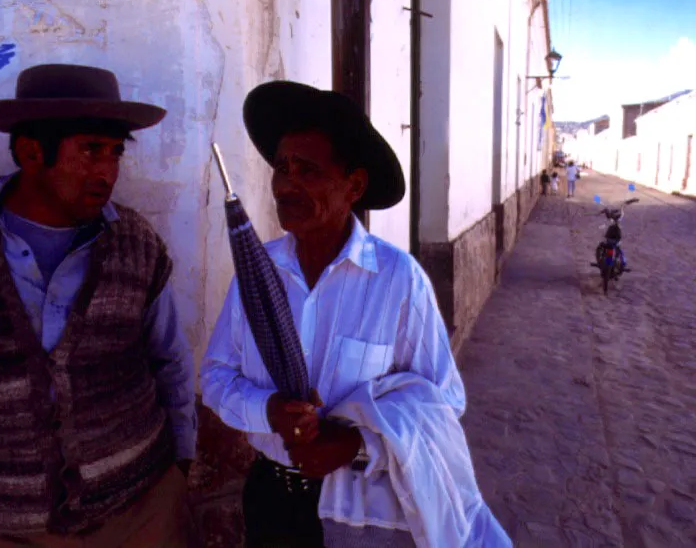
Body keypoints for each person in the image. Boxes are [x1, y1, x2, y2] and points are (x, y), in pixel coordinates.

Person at [0, 64, 196, 547]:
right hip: (2, 520)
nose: (108, 171)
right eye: (91, 150)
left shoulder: (136, 244)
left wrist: (181, 467)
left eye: (116, 152)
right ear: (31, 152)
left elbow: (171, 363)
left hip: (140, 508)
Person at [201, 81, 510, 548]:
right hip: (271, 500)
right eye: (281, 167)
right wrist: (269, 412)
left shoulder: (398, 281)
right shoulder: (257, 273)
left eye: (307, 170)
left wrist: (355, 444)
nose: (286, 184)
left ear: (354, 186)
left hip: (360, 510)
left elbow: (443, 402)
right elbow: (216, 376)